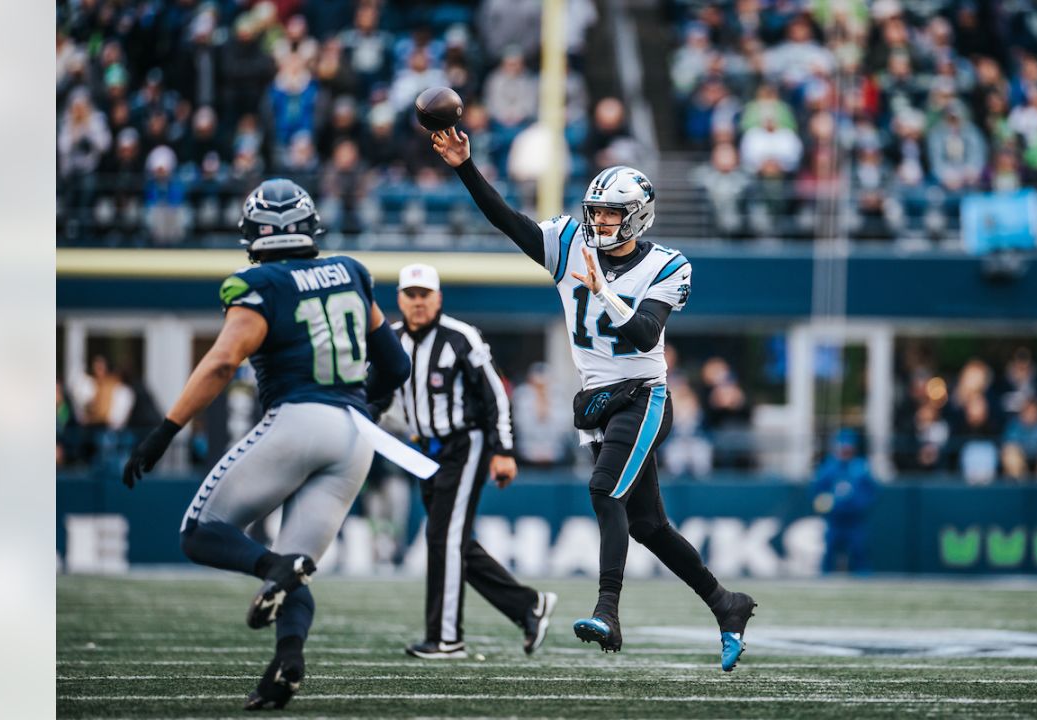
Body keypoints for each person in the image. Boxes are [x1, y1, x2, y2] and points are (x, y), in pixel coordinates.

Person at [430, 128, 757, 672]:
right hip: (597, 401)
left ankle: (608, 611)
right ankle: (727, 604)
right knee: (648, 525)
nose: (600, 222)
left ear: (638, 216)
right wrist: (465, 166)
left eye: (611, 213)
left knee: (605, 491)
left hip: (645, 396)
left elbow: (647, 335)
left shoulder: (669, 265)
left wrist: (603, 289)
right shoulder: (569, 244)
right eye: (596, 212)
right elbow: (507, 221)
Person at [120, 178, 410, 710]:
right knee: (295, 559)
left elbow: (224, 361)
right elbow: (396, 363)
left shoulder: (258, 284)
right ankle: (287, 662)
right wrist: (367, 405)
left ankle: (273, 572)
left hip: (299, 420)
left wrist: (165, 430)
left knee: (199, 534)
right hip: (355, 438)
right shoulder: (350, 272)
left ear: (253, 235)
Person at [381, 262, 558, 660]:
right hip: (423, 450)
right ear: (400, 299)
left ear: (438, 298)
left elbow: (496, 396)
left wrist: (504, 451)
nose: (418, 302)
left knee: (443, 539)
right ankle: (526, 605)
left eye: (425, 294)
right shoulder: (391, 341)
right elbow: (377, 391)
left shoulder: (461, 337)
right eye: (411, 294)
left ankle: (445, 638)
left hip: (466, 444)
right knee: (451, 540)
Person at [809, 429, 878, 574]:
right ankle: (824, 582)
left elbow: (871, 491)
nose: (845, 450)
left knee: (859, 551)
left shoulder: (861, 466)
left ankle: (864, 580)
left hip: (854, 519)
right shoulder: (828, 467)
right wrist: (824, 503)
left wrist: (859, 504)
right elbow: (818, 490)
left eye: (848, 447)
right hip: (834, 519)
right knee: (829, 552)